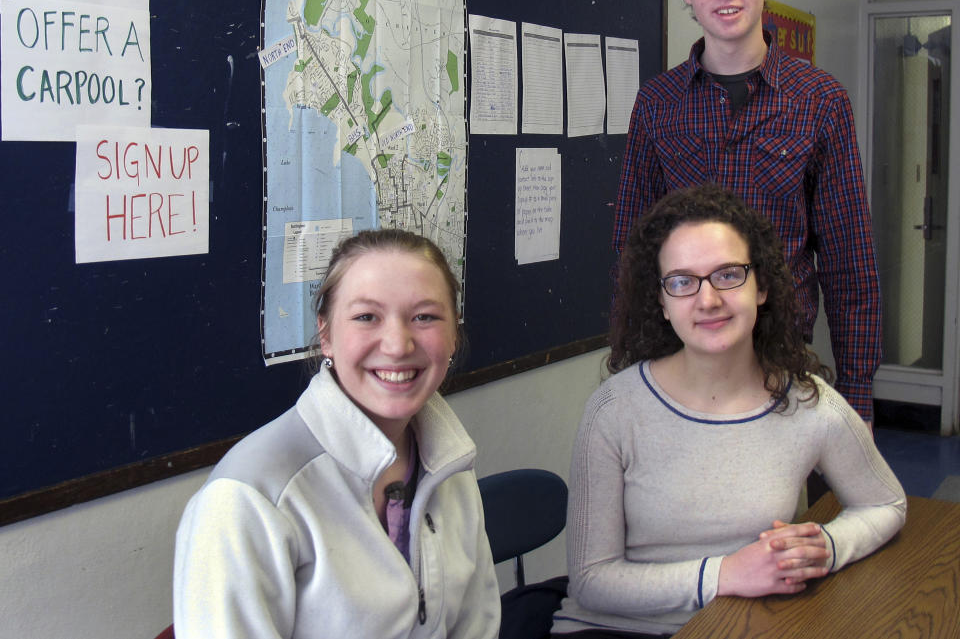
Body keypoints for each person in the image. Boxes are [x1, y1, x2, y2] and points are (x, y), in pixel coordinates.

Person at [552, 184, 905, 638]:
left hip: (741, 625)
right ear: (661, 301)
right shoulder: (614, 411)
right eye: (682, 281)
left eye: (728, 274)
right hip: (616, 630)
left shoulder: (806, 402)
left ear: (761, 287)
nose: (708, 299)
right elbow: (591, 579)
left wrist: (829, 546)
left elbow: (887, 502)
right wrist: (725, 574)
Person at [612, 0, 881, 422]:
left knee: (784, 508)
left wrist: (858, 399)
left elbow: (851, 267)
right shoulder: (657, 103)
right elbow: (631, 252)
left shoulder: (820, 100)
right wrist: (632, 371)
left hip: (782, 372)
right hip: (675, 369)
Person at [174, 229, 500, 639]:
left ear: (454, 333)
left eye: (425, 316)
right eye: (367, 317)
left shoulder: (449, 464)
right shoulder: (247, 500)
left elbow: (477, 625)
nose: (398, 345)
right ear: (326, 334)